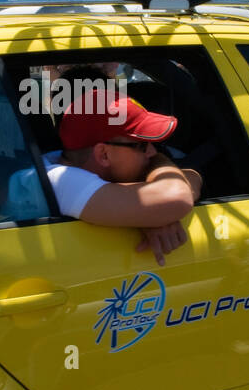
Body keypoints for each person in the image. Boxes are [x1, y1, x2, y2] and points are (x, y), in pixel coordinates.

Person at [26, 88, 202, 265]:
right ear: (103, 154)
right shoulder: (61, 181)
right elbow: (178, 197)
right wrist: (158, 209)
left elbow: (192, 177)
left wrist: (153, 215)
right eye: (142, 145)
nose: (153, 152)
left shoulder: (65, 159)